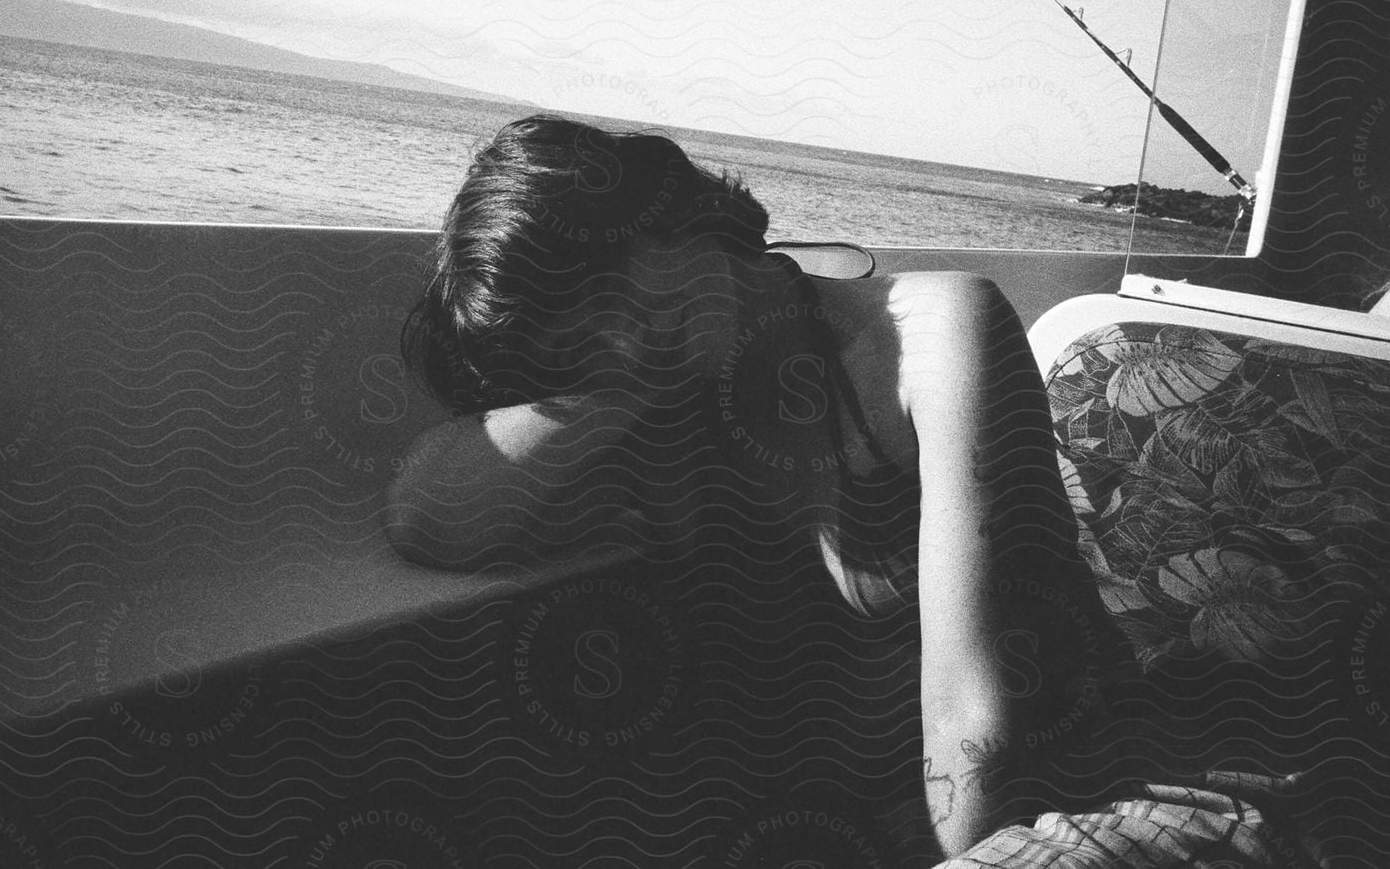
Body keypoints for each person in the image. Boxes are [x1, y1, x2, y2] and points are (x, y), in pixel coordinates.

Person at [386, 114, 1111, 858]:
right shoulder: (651, 403)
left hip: (1053, 790)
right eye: (579, 341)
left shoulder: (936, 331)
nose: (624, 339)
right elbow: (429, 520)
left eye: (608, 287)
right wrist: (604, 385)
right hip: (841, 815)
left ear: (664, 216)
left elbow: (975, 705)